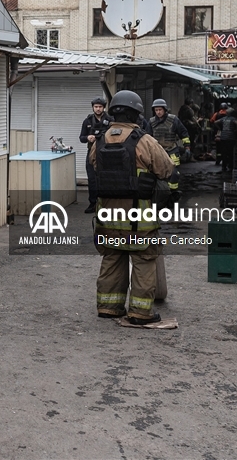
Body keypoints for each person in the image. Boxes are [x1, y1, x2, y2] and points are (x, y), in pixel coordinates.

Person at [94, 90, 175, 325]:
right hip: (139, 220)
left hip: (107, 218)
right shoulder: (144, 141)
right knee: (143, 262)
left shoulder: (99, 140)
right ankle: (140, 312)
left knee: (112, 258)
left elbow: (93, 167)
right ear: (137, 114)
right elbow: (167, 169)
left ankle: (109, 307)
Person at [148, 98, 189, 199]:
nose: (158, 112)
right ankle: (159, 193)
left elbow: (183, 133)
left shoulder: (173, 120)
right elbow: (147, 137)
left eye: (160, 110)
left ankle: (172, 193)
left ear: (165, 109)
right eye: (156, 110)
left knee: (174, 173)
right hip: (157, 151)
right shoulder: (151, 122)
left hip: (171, 150)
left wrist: (187, 147)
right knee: (155, 173)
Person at [79, 97, 110, 214]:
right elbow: (81, 138)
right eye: (96, 107)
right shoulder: (87, 121)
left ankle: (107, 204)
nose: (98, 109)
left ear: (104, 108)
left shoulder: (110, 120)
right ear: (93, 107)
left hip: (107, 153)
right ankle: (93, 203)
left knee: (107, 178)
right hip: (92, 152)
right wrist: (87, 137)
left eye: (100, 107)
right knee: (92, 179)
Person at [214, 110, 237, 176]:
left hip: (223, 137)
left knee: (224, 152)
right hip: (231, 137)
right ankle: (230, 166)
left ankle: (224, 166)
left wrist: (220, 128)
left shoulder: (223, 119)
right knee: (230, 152)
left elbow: (215, 122)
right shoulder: (233, 119)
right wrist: (236, 130)